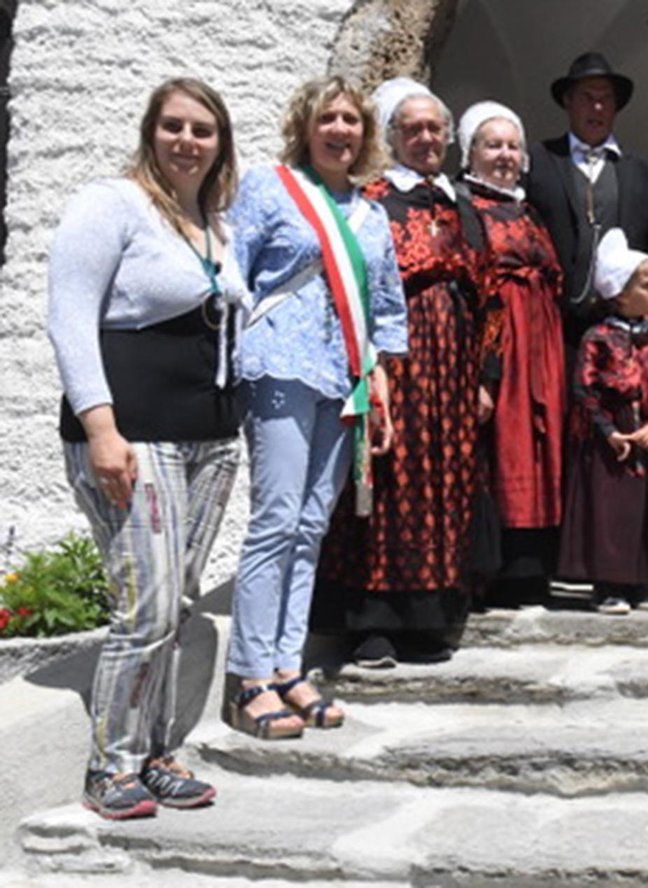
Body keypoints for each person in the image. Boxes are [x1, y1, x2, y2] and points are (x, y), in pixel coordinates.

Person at [48, 77, 247, 818]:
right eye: (174, 126)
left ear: (221, 143)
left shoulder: (214, 222)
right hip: (135, 435)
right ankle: (111, 766)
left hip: (209, 440)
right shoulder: (111, 204)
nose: (187, 141)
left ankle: (156, 752)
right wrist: (102, 429)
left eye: (202, 129)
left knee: (179, 604)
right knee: (149, 606)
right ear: (150, 132)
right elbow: (69, 317)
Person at [228, 76, 405, 733]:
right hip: (279, 365)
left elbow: (386, 303)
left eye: (351, 120)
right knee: (275, 520)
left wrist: (380, 379)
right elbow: (233, 273)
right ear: (306, 126)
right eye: (327, 118)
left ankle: (287, 667)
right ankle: (250, 677)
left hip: (345, 377)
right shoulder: (269, 187)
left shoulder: (371, 213)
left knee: (310, 529)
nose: (340, 130)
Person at [315, 78, 497, 666]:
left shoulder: (462, 205)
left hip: (454, 366)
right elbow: (354, 285)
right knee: (389, 481)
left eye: (434, 129)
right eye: (412, 129)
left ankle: (429, 619)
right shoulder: (373, 202)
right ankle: (374, 622)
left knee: (445, 483)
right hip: (394, 362)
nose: (425, 138)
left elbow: (489, 296)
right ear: (392, 137)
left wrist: (485, 376)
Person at [455, 101, 567, 604]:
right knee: (502, 446)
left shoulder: (528, 209)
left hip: (541, 345)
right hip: (500, 343)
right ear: (470, 152)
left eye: (512, 146)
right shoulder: (464, 206)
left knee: (540, 447)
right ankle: (495, 570)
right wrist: (486, 364)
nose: (504, 155)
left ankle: (533, 568)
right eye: (492, 145)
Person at [558, 229, 648, 615]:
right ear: (619, 293)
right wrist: (609, 431)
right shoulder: (598, 338)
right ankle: (610, 584)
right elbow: (585, 389)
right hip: (612, 440)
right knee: (613, 510)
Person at [523, 52, 648, 341]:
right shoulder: (539, 160)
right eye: (587, 98)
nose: (598, 107)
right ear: (568, 102)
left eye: (606, 99)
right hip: (552, 324)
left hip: (622, 328)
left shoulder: (643, 171)